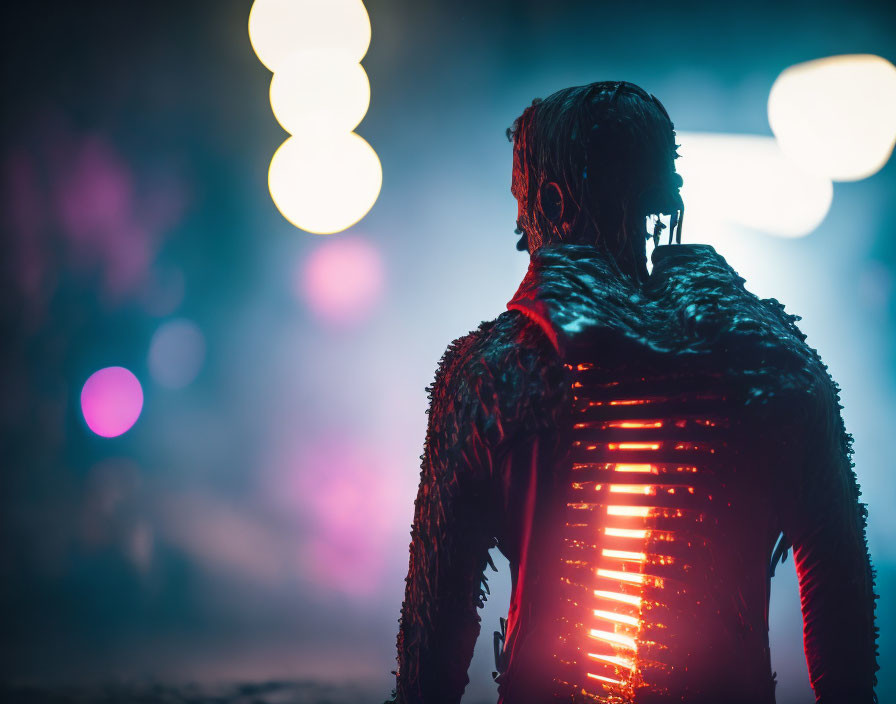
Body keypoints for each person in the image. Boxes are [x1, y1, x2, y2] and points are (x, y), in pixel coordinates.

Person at [385, 81, 878, 704]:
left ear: (551, 199)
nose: (519, 223)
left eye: (521, 203)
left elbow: (438, 613)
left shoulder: (490, 372)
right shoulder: (775, 362)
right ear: (664, 197)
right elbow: (840, 592)